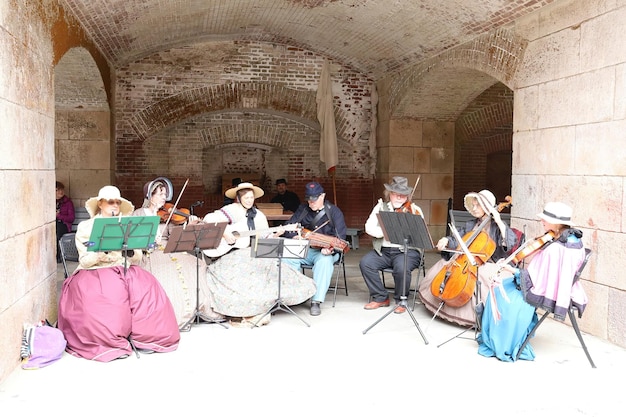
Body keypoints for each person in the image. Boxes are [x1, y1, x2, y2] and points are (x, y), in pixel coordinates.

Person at [57, 185, 180, 361]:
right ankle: (111, 342)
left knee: (149, 287)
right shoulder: (86, 227)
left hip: (123, 268)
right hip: (95, 271)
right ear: (100, 203)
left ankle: (145, 338)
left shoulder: (126, 224)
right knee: (110, 295)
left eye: (117, 202)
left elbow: (136, 257)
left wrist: (129, 249)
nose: (115, 205)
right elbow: (84, 261)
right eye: (110, 202)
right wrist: (101, 250)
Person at [477, 202, 588, 362]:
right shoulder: (569, 239)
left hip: (543, 290)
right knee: (496, 290)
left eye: (545, 220)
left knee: (502, 297)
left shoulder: (557, 249)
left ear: (557, 223)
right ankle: (496, 335)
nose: (541, 222)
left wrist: (511, 270)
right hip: (549, 284)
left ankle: (504, 342)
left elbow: (536, 280)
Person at [202, 182, 316, 327]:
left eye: (251, 197)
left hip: (250, 253)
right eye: (246, 197)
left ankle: (268, 302)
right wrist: (225, 233)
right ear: (239, 197)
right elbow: (208, 219)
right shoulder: (231, 210)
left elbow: (264, 239)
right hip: (231, 253)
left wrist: (275, 234)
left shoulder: (259, 215)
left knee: (270, 267)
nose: (249, 200)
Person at [132, 177, 225, 327]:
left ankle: (200, 308)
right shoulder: (138, 213)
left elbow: (173, 236)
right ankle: (178, 314)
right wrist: (147, 242)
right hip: (149, 252)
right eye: (160, 194)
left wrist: (188, 226)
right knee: (167, 271)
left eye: (165, 194)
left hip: (168, 249)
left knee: (197, 264)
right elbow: (133, 239)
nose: (165, 198)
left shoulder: (168, 214)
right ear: (150, 196)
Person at [418, 189, 518, 327]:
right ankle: (443, 303)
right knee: (443, 264)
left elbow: (509, 243)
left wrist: (499, 220)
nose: (475, 208)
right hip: (466, 260)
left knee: (481, 275)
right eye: (474, 205)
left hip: (488, 262)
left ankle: (478, 317)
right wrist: (446, 240)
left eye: (479, 205)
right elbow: (458, 238)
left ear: (488, 207)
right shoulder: (471, 224)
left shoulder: (496, 226)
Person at [279, 181, 348, 316]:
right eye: (309, 199)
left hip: (326, 251)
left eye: (314, 199)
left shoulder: (334, 212)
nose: (311, 203)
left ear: (322, 196)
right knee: (286, 258)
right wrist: (295, 236)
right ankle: (297, 295)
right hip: (305, 249)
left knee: (324, 261)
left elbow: (341, 238)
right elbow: (289, 227)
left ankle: (316, 301)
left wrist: (330, 249)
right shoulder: (303, 209)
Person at [359, 177, 424, 314]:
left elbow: (420, 233)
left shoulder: (414, 209)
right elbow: (368, 227)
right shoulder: (380, 207)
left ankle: (401, 300)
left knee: (402, 267)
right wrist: (386, 231)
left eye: (403, 194)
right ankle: (380, 297)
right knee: (366, 263)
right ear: (390, 194)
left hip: (407, 251)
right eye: (396, 193)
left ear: (407, 196)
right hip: (384, 250)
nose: (400, 197)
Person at [55, 181, 75, 263]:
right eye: (57, 190)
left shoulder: (68, 202)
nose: (61, 192)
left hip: (64, 225)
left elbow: (71, 218)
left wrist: (58, 216)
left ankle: (58, 256)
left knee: (57, 230)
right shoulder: (48, 201)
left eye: (62, 189)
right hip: (53, 224)